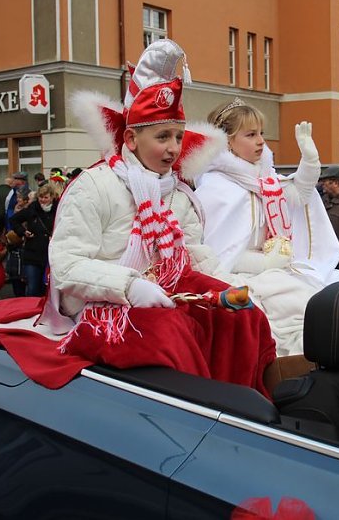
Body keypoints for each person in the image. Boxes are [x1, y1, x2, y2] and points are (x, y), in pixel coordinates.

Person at [42, 39, 276, 394]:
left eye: (179, 137)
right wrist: (129, 286)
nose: (173, 148)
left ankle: (244, 406)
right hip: (102, 306)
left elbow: (192, 255)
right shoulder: (94, 186)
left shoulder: (179, 195)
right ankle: (198, 416)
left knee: (243, 319)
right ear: (131, 139)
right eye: (163, 136)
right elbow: (66, 265)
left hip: (169, 291)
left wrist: (224, 287)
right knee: (169, 334)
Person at [190, 97, 339, 356]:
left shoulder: (265, 179)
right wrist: (265, 264)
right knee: (302, 309)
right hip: (243, 279)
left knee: (326, 295)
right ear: (227, 141)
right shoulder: (216, 188)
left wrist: (309, 162)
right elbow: (217, 257)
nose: (261, 141)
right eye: (251, 134)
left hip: (279, 271)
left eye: (261, 133)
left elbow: (298, 194)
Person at [10, 183, 58, 297]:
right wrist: (22, 231)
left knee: (45, 289)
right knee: (32, 288)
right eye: (41, 197)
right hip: (33, 253)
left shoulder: (58, 210)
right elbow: (14, 220)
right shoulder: (33, 209)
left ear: (52, 197)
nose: (43, 200)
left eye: (46, 197)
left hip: (50, 255)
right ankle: (31, 311)